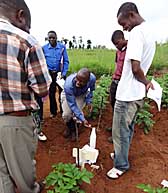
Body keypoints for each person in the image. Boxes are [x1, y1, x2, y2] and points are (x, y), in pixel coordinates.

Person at [0, 1, 51, 193]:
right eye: (27, 24)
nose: (27, 28)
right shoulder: (24, 40)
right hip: (15, 121)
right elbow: (43, 89)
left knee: (1, 176)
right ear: (20, 16)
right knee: (24, 178)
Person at [107, 2, 156, 179]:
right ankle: (121, 156)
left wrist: (146, 81)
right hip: (137, 95)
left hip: (127, 94)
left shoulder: (137, 33)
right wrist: (144, 84)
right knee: (128, 128)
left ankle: (120, 165)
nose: (124, 29)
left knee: (119, 131)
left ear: (131, 14)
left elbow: (135, 68)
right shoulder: (149, 32)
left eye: (124, 23)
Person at [61, 68, 96, 141]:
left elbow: (91, 90)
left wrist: (89, 101)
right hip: (69, 94)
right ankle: (69, 127)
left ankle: (74, 130)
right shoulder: (68, 85)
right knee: (66, 114)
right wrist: (83, 119)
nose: (77, 82)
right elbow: (72, 105)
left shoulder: (92, 79)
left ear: (87, 81)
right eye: (77, 79)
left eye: (81, 81)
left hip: (81, 94)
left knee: (77, 115)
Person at [107, 30, 127, 143]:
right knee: (113, 104)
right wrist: (113, 78)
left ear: (123, 39)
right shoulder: (118, 51)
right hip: (115, 80)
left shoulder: (131, 50)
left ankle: (118, 134)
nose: (117, 46)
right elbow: (116, 65)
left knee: (121, 108)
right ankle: (115, 127)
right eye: (115, 44)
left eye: (118, 43)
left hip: (123, 82)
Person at [43, 31, 69, 118]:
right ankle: (53, 112)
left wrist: (63, 73)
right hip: (50, 74)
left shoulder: (62, 47)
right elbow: (42, 62)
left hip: (60, 74)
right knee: (51, 93)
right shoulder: (44, 48)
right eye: (50, 38)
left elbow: (66, 61)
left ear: (56, 38)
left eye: (53, 38)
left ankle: (63, 111)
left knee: (62, 94)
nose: (51, 40)